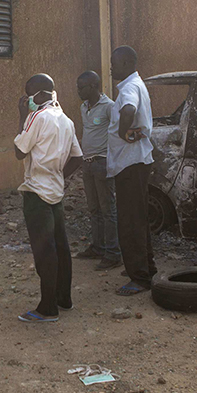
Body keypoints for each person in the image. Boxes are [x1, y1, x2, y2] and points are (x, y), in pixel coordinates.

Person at [14, 74, 83, 322]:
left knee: (45, 251)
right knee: (61, 247)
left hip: (36, 193)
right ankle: (64, 298)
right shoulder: (65, 120)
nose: (27, 99)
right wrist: (59, 176)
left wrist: (22, 116)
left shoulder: (38, 117)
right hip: (55, 191)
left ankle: (47, 307)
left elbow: (19, 151)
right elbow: (77, 158)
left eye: (28, 94)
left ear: (39, 94)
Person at [107, 46, 158, 296]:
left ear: (126, 63)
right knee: (138, 218)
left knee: (130, 222)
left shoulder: (129, 88)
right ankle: (146, 269)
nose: (110, 68)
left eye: (114, 63)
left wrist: (121, 132)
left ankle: (139, 278)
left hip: (130, 163)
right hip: (136, 161)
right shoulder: (136, 84)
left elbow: (128, 110)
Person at [74, 71, 121, 270]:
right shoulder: (83, 107)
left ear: (93, 86)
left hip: (102, 163)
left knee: (107, 209)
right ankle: (98, 246)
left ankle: (113, 253)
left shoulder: (109, 107)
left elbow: (118, 133)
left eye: (81, 87)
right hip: (88, 163)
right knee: (94, 209)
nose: (78, 91)